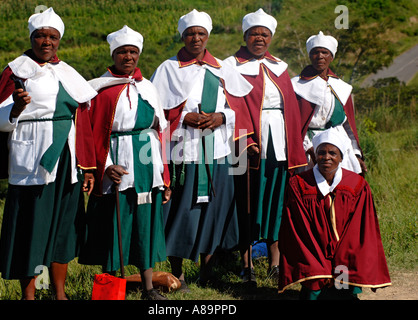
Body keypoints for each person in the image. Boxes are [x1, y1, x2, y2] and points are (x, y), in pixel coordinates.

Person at [0, 8, 97, 300]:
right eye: (41, 36)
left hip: (66, 159)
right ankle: (29, 296)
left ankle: (60, 293)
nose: (47, 42)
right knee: (32, 226)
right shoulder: (16, 71)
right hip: (33, 160)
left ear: (59, 40)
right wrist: (15, 108)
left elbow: (81, 120)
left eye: (53, 37)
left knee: (64, 225)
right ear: (31, 37)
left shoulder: (66, 71)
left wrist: (87, 166)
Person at [151, 9, 252, 289]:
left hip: (216, 151)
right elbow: (157, 110)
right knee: (183, 212)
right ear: (182, 36)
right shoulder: (167, 69)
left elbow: (238, 109)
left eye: (201, 33)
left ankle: (207, 272)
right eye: (190, 33)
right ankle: (178, 272)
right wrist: (184, 117)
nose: (195, 38)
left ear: (208, 36)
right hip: (184, 152)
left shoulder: (222, 69)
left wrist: (220, 118)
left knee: (213, 211)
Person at [77, 26, 171, 300]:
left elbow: (160, 129)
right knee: (115, 223)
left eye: (132, 52)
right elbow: (93, 132)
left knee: (145, 223)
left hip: (147, 160)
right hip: (118, 160)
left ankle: (148, 287)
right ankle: (111, 287)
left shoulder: (148, 87)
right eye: (122, 52)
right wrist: (105, 165)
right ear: (113, 54)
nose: (128, 57)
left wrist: (163, 175)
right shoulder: (99, 89)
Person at [223, 8, 307, 283]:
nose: (259, 39)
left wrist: (296, 145)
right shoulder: (230, 66)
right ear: (245, 36)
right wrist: (246, 139)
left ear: (270, 38)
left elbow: (291, 109)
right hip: (243, 145)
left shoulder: (279, 67)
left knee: (276, 200)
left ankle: (275, 262)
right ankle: (245, 263)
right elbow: (228, 106)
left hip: (278, 142)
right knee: (243, 200)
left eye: (264, 35)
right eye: (254, 34)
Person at [278, 127, 391, 299]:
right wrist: (323, 262)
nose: (326, 157)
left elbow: (357, 230)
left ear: (341, 158)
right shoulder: (299, 184)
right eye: (321, 152)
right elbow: (299, 228)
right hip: (311, 250)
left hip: (345, 250)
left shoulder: (356, 185)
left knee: (342, 284)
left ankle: (342, 291)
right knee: (314, 279)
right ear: (315, 156)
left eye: (332, 153)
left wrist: (338, 258)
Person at [292, 31, 367, 175]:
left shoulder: (342, 88)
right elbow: (293, 124)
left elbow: (348, 126)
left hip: (339, 144)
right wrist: (308, 147)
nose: (320, 56)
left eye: (324, 52)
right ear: (309, 56)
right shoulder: (295, 86)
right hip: (309, 146)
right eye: (315, 52)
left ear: (331, 57)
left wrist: (356, 153)